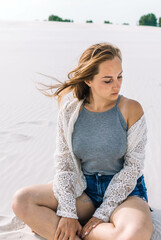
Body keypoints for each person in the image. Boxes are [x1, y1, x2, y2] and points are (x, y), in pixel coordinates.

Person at [12, 42, 153, 240]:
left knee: (134, 235)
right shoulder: (71, 111)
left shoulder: (131, 109)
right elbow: (65, 164)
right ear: (88, 80)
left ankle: (76, 231)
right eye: (107, 80)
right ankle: (80, 230)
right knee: (22, 200)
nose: (117, 85)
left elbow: (133, 167)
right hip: (84, 191)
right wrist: (68, 213)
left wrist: (101, 214)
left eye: (120, 76)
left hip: (126, 195)